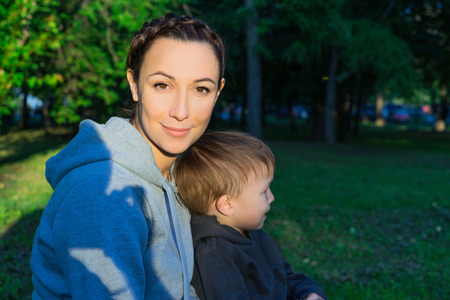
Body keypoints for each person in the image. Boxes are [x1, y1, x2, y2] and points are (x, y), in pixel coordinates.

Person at [30, 13, 225, 299]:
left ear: (217, 93)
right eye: (162, 85)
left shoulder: (177, 172)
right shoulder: (101, 193)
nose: (181, 111)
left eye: (201, 89)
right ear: (134, 84)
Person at [174, 131, 328, 300]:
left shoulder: (252, 233)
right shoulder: (215, 255)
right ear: (227, 205)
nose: (272, 197)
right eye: (264, 191)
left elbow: (285, 278)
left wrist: (309, 292)